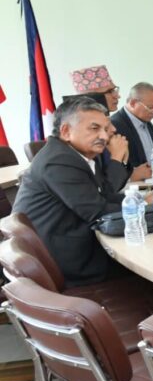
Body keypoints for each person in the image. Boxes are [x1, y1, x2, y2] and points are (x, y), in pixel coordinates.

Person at [12, 97, 135, 287]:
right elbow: (97, 211)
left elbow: (103, 193)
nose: (104, 136)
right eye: (94, 128)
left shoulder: (76, 154)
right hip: (67, 263)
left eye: (105, 128)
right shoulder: (58, 161)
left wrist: (137, 200)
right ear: (66, 131)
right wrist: (143, 207)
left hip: (72, 246)